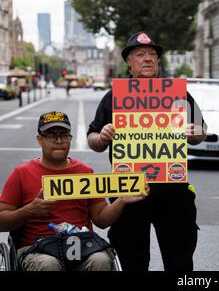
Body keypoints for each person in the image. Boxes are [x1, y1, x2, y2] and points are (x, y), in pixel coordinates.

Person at [87, 31, 207, 271]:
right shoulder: (114, 97)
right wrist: (101, 137)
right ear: (129, 63)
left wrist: (197, 132)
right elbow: (92, 138)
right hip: (128, 191)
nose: (148, 59)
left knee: (180, 260)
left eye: (152, 54)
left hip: (173, 191)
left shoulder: (178, 94)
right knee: (132, 259)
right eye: (140, 54)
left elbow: (201, 130)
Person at [0, 111, 144, 271]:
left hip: (83, 246)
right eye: (51, 136)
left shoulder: (84, 172)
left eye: (64, 135)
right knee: (49, 265)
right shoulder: (21, 173)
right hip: (37, 248)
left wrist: (121, 200)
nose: (59, 141)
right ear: (39, 139)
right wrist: (29, 211)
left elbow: (101, 220)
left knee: (101, 260)